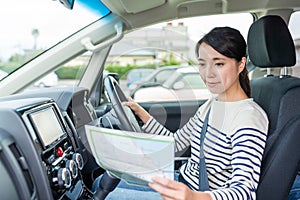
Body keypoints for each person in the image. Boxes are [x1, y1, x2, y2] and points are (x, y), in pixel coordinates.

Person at [95, 27, 269, 200]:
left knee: (105, 194)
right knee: (100, 182)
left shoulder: (248, 118)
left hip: (195, 195)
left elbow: (245, 190)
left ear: (241, 64)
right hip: (180, 181)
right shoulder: (212, 104)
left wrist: (193, 197)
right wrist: (141, 113)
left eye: (219, 63)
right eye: (202, 64)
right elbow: (176, 145)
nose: (208, 73)